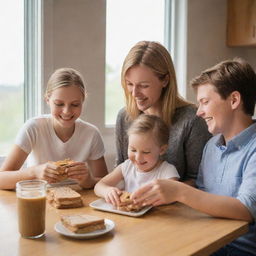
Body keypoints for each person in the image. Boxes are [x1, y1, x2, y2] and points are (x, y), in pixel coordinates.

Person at [132, 58, 256, 256]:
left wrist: (180, 191)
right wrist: (162, 193)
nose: (199, 112)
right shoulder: (211, 146)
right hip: (207, 244)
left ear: (234, 100)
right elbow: (202, 195)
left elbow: (246, 209)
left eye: (205, 102)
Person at [115, 41, 211, 185]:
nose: (135, 93)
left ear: (165, 80)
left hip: (177, 206)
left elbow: (198, 180)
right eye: (129, 84)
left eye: (144, 85)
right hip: (134, 205)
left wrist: (162, 195)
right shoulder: (125, 117)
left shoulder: (192, 120)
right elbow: (121, 169)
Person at [0, 68, 108, 190]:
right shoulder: (33, 128)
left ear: (83, 100)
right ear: (47, 100)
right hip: (39, 199)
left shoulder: (91, 134)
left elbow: (104, 182)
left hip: (79, 202)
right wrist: (34, 172)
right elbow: (1, 178)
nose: (67, 111)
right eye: (59, 104)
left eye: (75, 104)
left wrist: (89, 180)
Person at [94, 114, 180, 206]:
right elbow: (99, 186)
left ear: (162, 150)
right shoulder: (127, 166)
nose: (138, 157)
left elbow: (175, 195)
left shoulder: (167, 171)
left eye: (146, 152)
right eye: (133, 150)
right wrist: (107, 191)